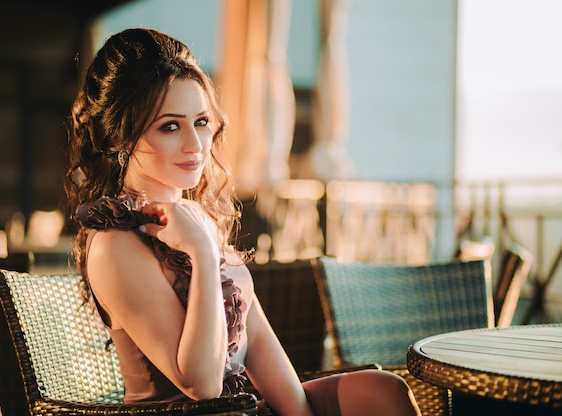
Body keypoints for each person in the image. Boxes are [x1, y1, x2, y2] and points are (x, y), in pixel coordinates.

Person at [64, 27, 421, 416]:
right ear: (120, 137)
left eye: (201, 122)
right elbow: (201, 383)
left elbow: (258, 337)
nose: (195, 145)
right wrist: (201, 252)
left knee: (381, 391)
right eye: (170, 126)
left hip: (244, 407)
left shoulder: (195, 216)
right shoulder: (115, 245)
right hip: (196, 411)